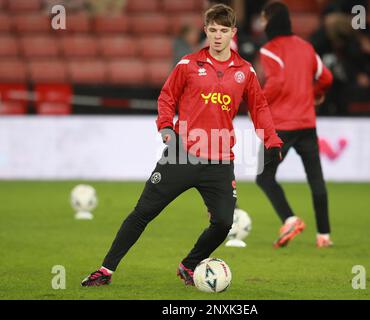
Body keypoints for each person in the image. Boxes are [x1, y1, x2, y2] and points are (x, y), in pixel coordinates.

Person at [81, 4, 283, 287]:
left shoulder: (245, 71)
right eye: (213, 30)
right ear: (206, 31)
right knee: (143, 213)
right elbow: (166, 97)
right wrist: (165, 127)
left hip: (220, 161)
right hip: (181, 156)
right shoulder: (188, 65)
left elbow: (259, 108)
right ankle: (105, 270)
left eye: (224, 31)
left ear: (233, 33)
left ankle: (188, 265)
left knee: (224, 223)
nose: (217, 36)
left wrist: (272, 139)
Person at [255, 1, 333, 248]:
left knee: (264, 177)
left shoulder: (269, 50)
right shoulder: (306, 47)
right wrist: (315, 93)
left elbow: (276, 83)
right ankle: (324, 236)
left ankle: (289, 218)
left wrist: (258, 106)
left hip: (281, 127)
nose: (261, 22)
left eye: (263, 18)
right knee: (316, 181)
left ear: (269, 19)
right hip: (307, 124)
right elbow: (326, 77)